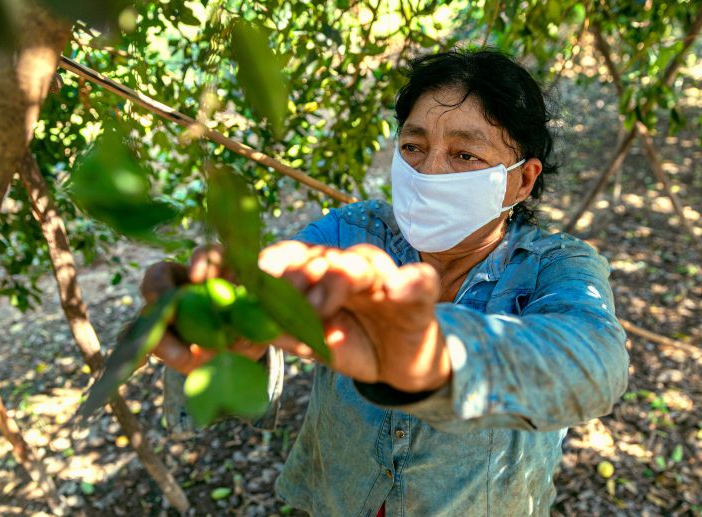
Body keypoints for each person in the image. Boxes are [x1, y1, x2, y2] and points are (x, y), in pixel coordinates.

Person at [141, 48, 629, 516]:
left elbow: (594, 365)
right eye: (414, 146)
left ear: (522, 181)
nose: (430, 170)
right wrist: (235, 325)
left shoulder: (556, 266)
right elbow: (276, 283)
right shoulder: (354, 233)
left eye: (464, 155)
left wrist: (432, 358)